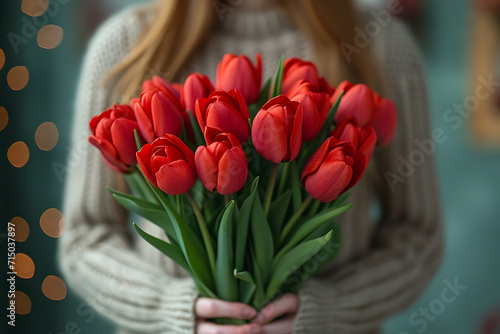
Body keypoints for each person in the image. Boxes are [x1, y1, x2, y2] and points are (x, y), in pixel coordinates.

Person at [60, 0, 443, 333]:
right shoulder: (128, 44)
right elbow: (84, 238)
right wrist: (171, 309)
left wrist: (332, 309)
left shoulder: (379, 43)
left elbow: (417, 234)